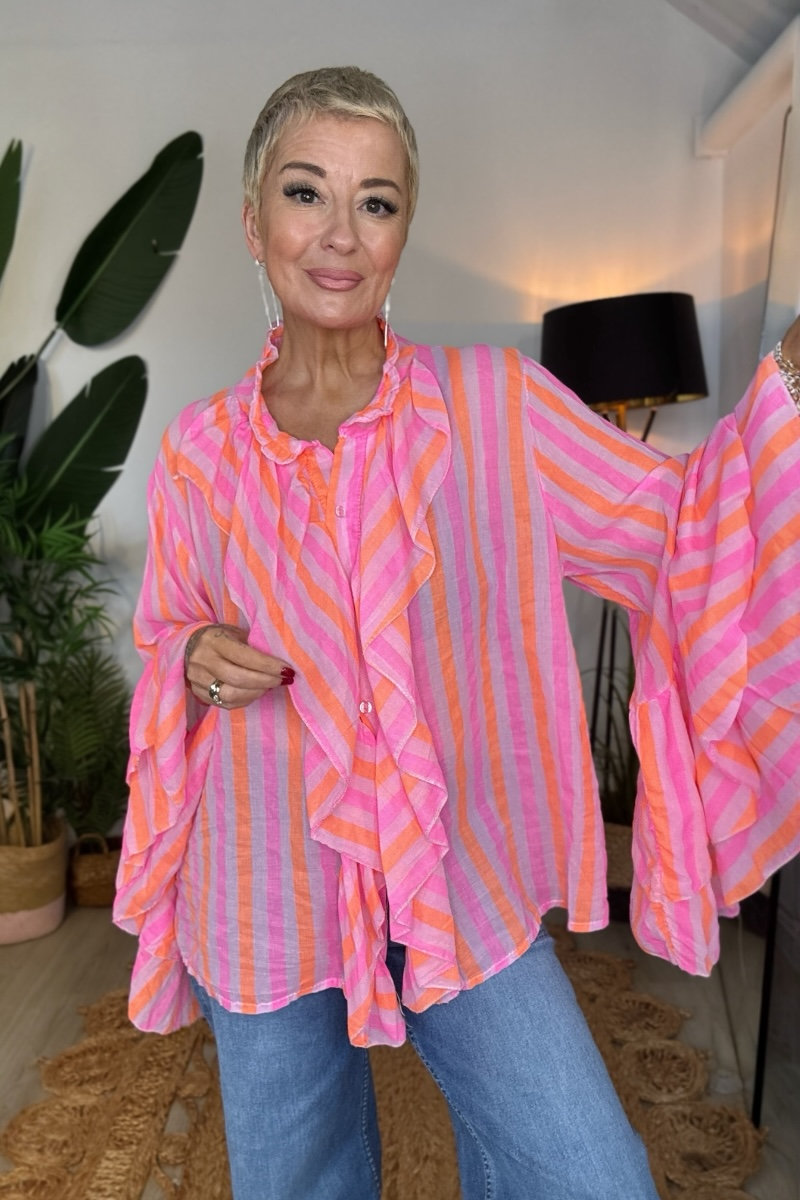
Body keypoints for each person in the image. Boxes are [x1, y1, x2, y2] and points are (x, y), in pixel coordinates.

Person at [113, 66, 800, 1200]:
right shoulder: (199, 450)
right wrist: (190, 655)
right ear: (252, 220)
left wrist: (787, 380)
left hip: (453, 871)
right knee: (298, 1183)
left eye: (375, 201)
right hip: (262, 881)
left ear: (401, 233)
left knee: (591, 1177)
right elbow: (165, 635)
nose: (340, 233)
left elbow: (680, 526)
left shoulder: (496, 405)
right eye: (306, 193)